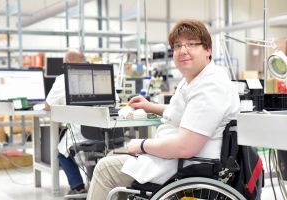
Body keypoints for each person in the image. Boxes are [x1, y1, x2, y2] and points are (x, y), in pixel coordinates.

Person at [86, 19, 241, 200]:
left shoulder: (210, 87)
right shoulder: (196, 79)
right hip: (178, 159)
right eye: (177, 46)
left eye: (191, 44)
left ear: (208, 50)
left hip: (187, 165)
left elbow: (185, 147)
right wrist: (148, 106)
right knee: (115, 154)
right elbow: (181, 112)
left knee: (105, 169)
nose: (183, 50)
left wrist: (142, 145)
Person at [45, 50, 88, 194]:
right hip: (105, 132)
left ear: (67, 62)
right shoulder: (96, 76)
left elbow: (48, 105)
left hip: (81, 132)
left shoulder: (62, 79)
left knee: (61, 152)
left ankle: (78, 187)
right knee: (100, 150)